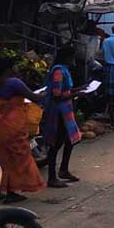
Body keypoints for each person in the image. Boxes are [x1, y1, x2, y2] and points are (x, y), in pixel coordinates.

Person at [0, 56, 46, 203]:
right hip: (13, 129)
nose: (17, 68)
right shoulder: (14, 83)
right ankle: (11, 190)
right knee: (20, 160)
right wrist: (46, 92)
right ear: (9, 68)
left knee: (3, 161)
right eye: (15, 66)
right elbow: (34, 97)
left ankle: (1, 190)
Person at [42, 44, 83, 188]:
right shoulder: (58, 71)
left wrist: (81, 89)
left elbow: (66, 90)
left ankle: (64, 170)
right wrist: (76, 94)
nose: (74, 60)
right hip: (58, 112)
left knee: (71, 140)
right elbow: (57, 95)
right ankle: (52, 177)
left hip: (66, 110)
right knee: (56, 143)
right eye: (72, 57)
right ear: (67, 58)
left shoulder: (64, 70)